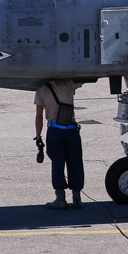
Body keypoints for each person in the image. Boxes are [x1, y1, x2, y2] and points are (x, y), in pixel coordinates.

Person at [34, 80, 84, 209]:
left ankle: (60, 199)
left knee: (57, 164)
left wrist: (38, 136)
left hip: (54, 130)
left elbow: (38, 116)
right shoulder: (68, 84)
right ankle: (77, 198)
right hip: (71, 129)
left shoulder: (41, 90)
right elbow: (83, 79)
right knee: (76, 162)